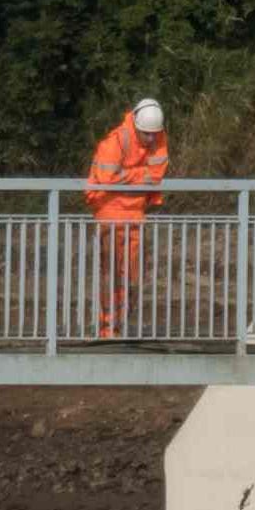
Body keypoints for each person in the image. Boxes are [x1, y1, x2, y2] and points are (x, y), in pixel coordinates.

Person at [85, 95, 171, 338]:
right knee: (111, 273)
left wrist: (129, 176)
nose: (151, 138)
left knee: (132, 276)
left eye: (154, 134)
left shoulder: (158, 137)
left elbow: (156, 175)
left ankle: (118, 324)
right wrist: (139, 177)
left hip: (135, 213)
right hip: (109, 211)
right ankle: (106, 328)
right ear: (136, 126)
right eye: (147, 134)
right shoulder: (116, 141)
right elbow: (106, 179)